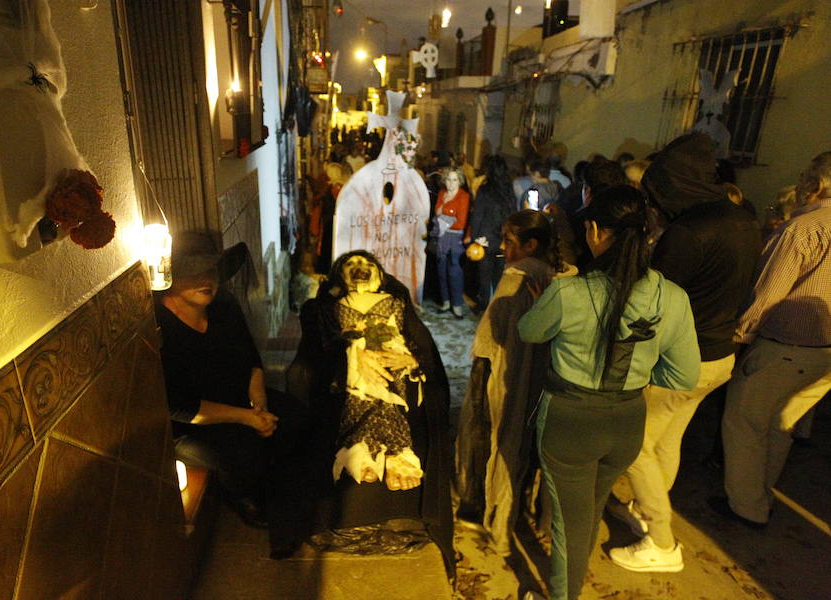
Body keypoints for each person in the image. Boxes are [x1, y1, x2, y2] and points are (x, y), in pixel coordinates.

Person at [518, 185, 700, 600]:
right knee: (590, 508)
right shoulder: (671, 298)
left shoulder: (569, 292)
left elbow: (529, 331)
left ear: (596, 230)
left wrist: (543, 302)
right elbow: (683, 376)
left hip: (569, 420)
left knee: (571, 520)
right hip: (626, 421)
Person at [608, 132, 762, 573]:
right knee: (666, 439)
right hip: (719, 356)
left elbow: (650, 298)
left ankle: (661, 541)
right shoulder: (741, 218)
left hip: (679, 359)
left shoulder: (689, 230)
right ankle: (645, 509)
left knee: (636, 445)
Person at [284, 251, 455, 575]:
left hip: (396, 372)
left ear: (379, 274)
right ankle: (365, 455)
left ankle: (391, 457)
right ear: (339, 276)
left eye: (367, 266)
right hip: (346, 376)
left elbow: (420, 347)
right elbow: (319, 350)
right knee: (358, 397)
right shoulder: (324, 308)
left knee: (393, 395)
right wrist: (352, 356)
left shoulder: (395, 303)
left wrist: (413, 361)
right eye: (351, 266)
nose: (360, 270)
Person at [712, 151, 831, 529]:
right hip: (825, 355)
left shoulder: (805, 229)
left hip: (786, 347)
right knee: (782, 425)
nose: (799, 184)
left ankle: (747, 505)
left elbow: (767, 295)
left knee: (744, 423)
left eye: (803, 176)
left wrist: (739, 338)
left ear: (816, 184)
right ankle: (759, 492)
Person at [455, 209, 576, 554]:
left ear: (530, 244)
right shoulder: (561, 275)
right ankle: (515, 512)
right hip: (539, 372)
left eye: (509, 241)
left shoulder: (519, 275)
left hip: (506, 370)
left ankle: (495, 513)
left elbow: (491, 334)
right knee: (522, 442)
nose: (502, 247)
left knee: (497, 437)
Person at [156, 232, 288, 528]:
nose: (206, 280)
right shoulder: (160, 324)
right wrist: (247, 418)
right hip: (192, 426)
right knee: (244, 453)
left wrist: (258, 406)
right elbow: (180, 407)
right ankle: (243, 496)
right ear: (172, 278)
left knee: (295, 420)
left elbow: (252, 359)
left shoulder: (223, 305)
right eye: (193, 273)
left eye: (211, 271)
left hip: (240, 401)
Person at [470, 155, 514, 311]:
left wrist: (475, 237)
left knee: (485, 275)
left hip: (486, 238)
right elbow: (513, 214)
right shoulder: (509, 190)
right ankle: (496, 306)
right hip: (503, 240)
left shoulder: (485, 190)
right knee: (499, 275)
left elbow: (477, 215)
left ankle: (483, 305)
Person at [433, 167, 471, 318]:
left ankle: (457, 305)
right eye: (448, 179)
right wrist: (447, 211)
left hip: (456, 237)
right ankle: (446, 302)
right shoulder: (442, 193)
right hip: (441, 236)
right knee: (441, 270)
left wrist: (444, 212)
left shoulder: (464, 196)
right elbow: (436, 213)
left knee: (454, 271)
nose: (451, 183)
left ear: (460, 181)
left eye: (455, 179)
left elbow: (460, 223)